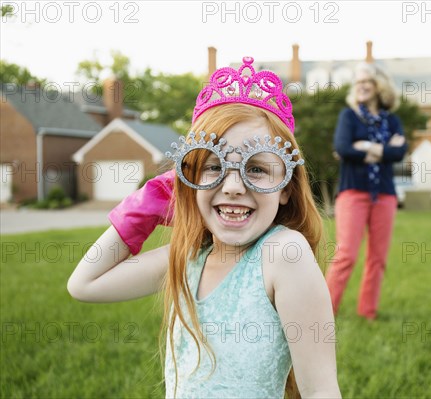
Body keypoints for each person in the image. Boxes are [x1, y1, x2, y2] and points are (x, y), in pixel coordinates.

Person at [68, 57, 341, 398]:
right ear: (188, 179)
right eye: (213, 166)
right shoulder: (187, 258)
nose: (233, 186)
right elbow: (84, 284)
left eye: (256, 169)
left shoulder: (283, 254)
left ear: (286, 187)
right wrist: (145, 207)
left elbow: (321, 391)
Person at [326, 62, 408, 320]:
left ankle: (368, 312)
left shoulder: (392, 120)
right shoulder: (348, 116)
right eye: (358, 82)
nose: (361, 86)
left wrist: (366, 147)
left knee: (378, 258)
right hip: (353, 193)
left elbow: (399, 152)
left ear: (379, 87)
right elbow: (342, 147)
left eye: (367, 82)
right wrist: (383, 150)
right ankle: (324, 311)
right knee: (346, 254)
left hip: (384, 194)